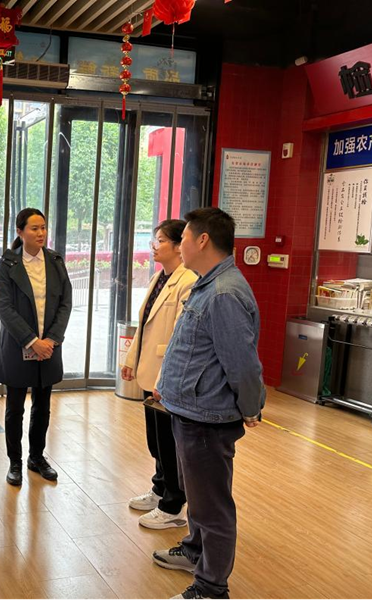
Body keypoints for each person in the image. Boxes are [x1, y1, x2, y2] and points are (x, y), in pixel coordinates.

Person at [151, 208, 265, 600]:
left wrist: (251, 406)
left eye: (182, 238)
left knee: (212, 506)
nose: (178, 245)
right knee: (198, 497)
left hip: (207, 418)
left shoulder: (223, 293)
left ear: (202, 240)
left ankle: (211, 588)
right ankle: (195, 551)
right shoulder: (208, 284)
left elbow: (242, 364)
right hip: (191, 410)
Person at [122, 219, 197, 530]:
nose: (154, 246)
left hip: (167, 376)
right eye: (155, 240)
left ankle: (173, 505)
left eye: (161, 240)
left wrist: (166, 379)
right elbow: (145, 325)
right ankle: (159, 488)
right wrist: (131, 359)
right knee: (155, 439)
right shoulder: (158, 278)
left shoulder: (188, 281)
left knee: (168, 442)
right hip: (149, 372)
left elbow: (180, 337)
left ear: (179, 246)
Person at [0, 208, 72, 486]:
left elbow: (65, 302)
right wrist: (31, 341)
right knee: (15, 408)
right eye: (34, 228)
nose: (41, 233)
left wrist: (50, 340)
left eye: (43, 228)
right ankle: (14, 461)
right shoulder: (8, 264)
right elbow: (5, 308)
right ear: (20, 232)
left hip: (49, 346)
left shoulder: (55, 261)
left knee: (43, 405)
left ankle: (36, 457)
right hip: (19, 345)